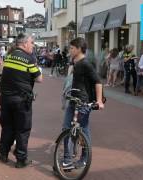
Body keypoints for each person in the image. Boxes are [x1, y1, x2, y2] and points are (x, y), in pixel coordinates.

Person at [0, 33, 43, 168]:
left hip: (5, 99)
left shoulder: (9, 56)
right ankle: (21, 159)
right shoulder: (29, 59)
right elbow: (39, 79)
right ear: (24, 44)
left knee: (7, 127)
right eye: (32, 43)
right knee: (22, 130)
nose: (33, 46)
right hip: (21, 101)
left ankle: (3, 154)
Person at [62, 37, 104, 170]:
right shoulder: (75, 62)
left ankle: (84, 158)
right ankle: (67, 160)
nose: (70, 50)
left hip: (83, 103)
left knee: (83, 132)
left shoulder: (85, 63)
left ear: (79, 49)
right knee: (66, 129)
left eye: (72, 48)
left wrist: (98, 101)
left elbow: (98, 81)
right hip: (73, 101)